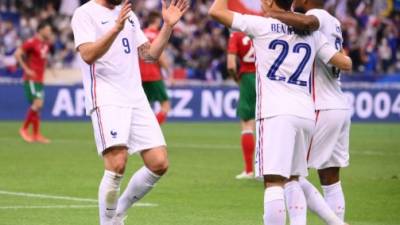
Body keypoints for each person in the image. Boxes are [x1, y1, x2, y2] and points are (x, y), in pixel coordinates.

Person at [208, 0, 352, 224]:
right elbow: (343, 62)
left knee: (273, 182)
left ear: (271, 2)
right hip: (305, 112)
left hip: (276, 112)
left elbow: (215, 12)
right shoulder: (311, 33)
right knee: (294, 179)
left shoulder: (261, 25)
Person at [71, 0, 188, 225]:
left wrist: (168, 26)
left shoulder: (128, 14)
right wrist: (115, 28)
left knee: (159, 162)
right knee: (117, 165)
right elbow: (87, 54)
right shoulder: (84, 14)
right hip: (107, 97)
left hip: (135, 96)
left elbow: (149, 55)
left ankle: (118, 212)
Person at [267, 0, 351, 223]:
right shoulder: (334, 21)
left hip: (320, 105)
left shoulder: (317, 16)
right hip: (339, 105)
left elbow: (308, 22)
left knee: (290, 175)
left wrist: (273, 13)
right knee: (330, 179)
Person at [15, 21, 53, 144]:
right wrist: (26, 69)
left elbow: (43, 61)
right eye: (47, 30)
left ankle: (36, 135)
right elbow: (17, 54)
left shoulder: (46, 44)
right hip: (31, 79)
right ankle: (24, 129)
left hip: (39, 79)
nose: (49, 32)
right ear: (40, 30)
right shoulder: (32, 42)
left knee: (38, 107)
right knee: (37, 104)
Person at [227, 31, 256, 179]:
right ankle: (267, 169)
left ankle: (249, 170)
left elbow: (231, 65)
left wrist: (237, 79)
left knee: (247, 125)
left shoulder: (235, 35)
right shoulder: (257, 30)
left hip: (248, 77)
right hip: (266, 78)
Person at [139, 11, 171, 125]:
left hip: (140, 76)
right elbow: (161, 57)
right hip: (154, 75)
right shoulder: (158, 35)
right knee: (165, 105)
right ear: (157, 21)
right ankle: (153, 129)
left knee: (142, 107)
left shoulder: (141, 34)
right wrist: (169, 72)